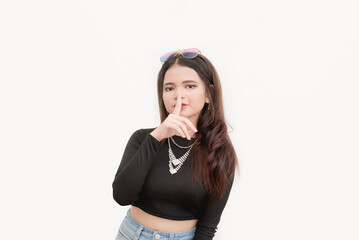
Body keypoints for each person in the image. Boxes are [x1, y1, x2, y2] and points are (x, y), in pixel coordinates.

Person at [112, 48, 238, 240]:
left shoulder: (220, 152)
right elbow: (121, 196)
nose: (178, 95)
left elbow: (208, 226)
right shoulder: (143, 138)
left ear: (208, 94)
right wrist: (157, 136)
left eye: (190, 86)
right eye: (169, 88)